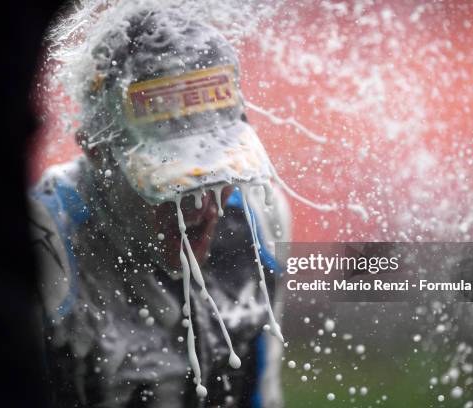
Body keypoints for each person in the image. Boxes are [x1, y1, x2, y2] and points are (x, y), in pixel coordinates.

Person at [30, 8, 291, 408]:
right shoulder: (49, 246)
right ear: (99, 154)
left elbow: (264, 392)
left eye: (217, 175)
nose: (206, 208)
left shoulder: (260, 216)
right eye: (173, 183)